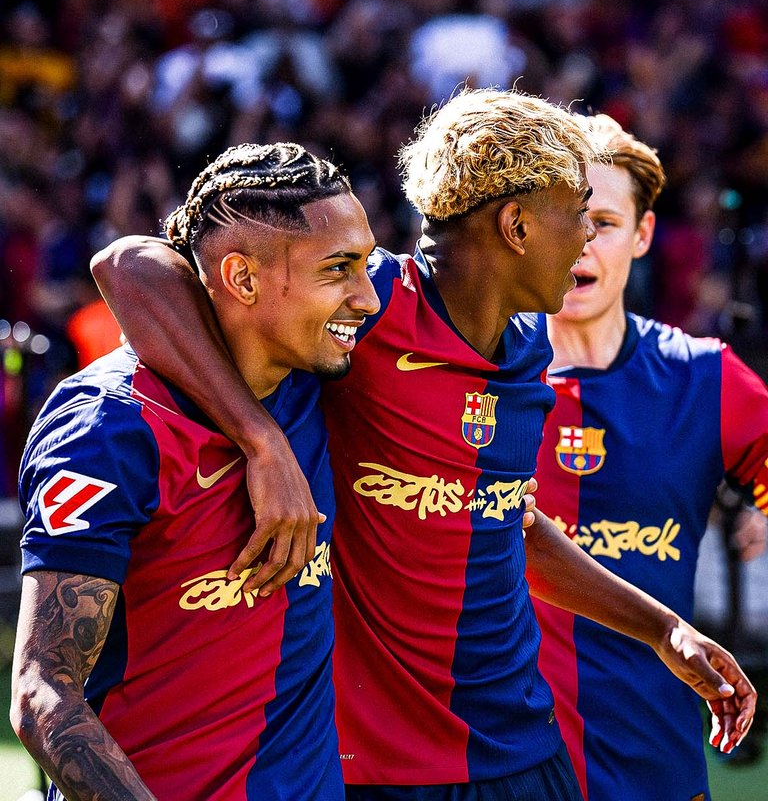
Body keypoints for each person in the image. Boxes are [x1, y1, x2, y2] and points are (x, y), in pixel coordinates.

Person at [91, 89, 756, 801]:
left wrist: (661, 630)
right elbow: (127, 264)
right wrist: (264, 445)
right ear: (518, 225)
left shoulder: (528, 348)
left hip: (525, 752)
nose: (586, 241)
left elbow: (502, 523)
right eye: (578, 216)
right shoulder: (362, 306)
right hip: (378, 770)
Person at [11, 142, 381, 801]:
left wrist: (260, 437)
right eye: (339, 268)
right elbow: (45, 697)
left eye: (367, 263)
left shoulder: (317, 376)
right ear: (241, 280)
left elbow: (133, 263)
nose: (369, 297)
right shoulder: (108, 427)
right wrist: (264, 442)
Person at [535, 112, 768, 801]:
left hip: (654, 767)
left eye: (603, 222)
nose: (581, 241)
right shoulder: (471, 375)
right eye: (563, 219)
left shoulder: (707, 379)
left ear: (641, 236)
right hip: (490, 766)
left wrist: (755, 508)